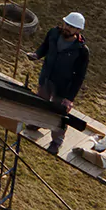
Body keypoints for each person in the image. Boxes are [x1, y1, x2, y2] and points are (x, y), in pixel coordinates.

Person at [25, 12, 90, 151]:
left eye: (72, 27)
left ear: (78, 31)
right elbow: (45, 47)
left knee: (59, 113)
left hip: (63, 86)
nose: (67, 28)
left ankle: (56, 141)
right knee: (40, 103)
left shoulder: (81, 51)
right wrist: (37, 54)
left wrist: (69, 98)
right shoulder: (53, 33)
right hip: (46, 78)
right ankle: (36, 123)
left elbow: (79, 77)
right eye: (66, 24)